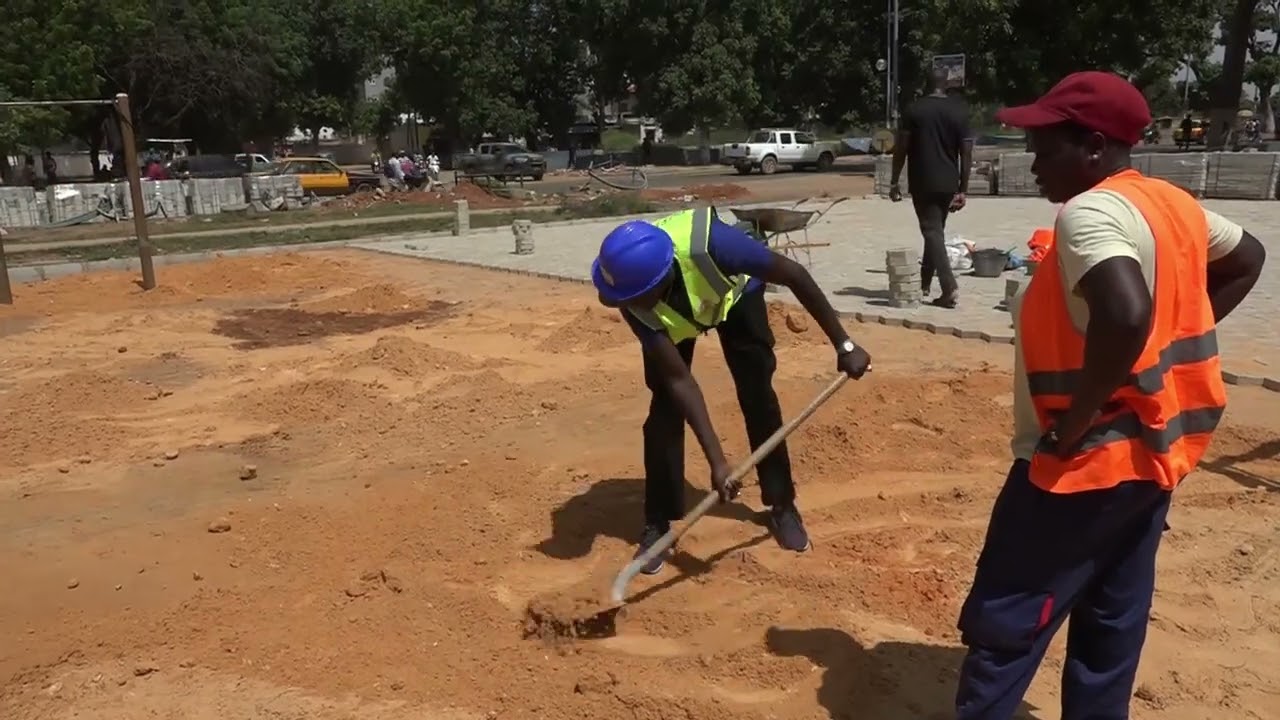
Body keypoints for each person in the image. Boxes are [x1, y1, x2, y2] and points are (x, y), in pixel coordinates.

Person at [953, 71, 1266, 720]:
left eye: (1045, 144)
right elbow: (1250, 256)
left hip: (1085, 463)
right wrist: (1175, 341)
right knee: (1109, 623)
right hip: (1157, 450)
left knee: (1008, 620)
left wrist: (1077, 421)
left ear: (1093, 146)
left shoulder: (1091, 213)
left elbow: (1125, 315)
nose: (1033, 161)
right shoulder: (1170, 203)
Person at [591, 208, 873, 574]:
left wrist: (845, 346)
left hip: (736, 297)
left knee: (758, 394)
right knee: (664, 411)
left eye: (637, 298)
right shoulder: (630, 293)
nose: (628, 307)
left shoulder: (715, 246)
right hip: (678, 321)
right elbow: (680, 381)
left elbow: (793, 274)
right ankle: (658, 523)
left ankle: (782, 505)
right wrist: (717, 462)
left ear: (662, 278)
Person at [889, 67, 973, 308]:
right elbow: (966, 153)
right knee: (935, 231)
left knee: (932, 231)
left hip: (923, 181)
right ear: (946, 84)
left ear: (925, 84)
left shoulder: (915, 109)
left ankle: (949, 288)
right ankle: (924, 283)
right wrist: (963, 189)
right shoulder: (959, 110)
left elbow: (901, 148)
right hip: (948, 182)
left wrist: (895, 181)